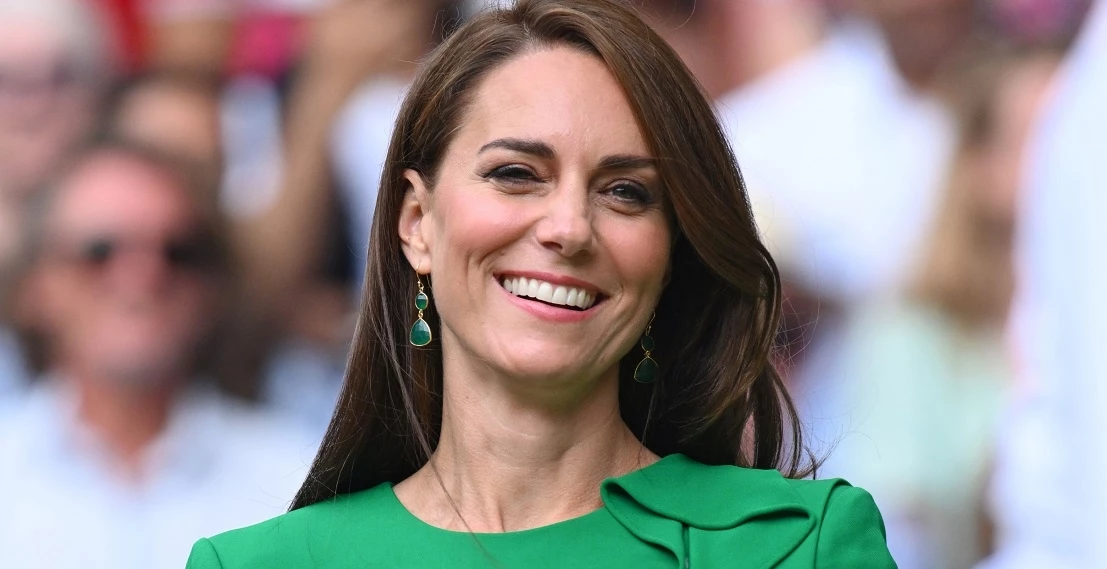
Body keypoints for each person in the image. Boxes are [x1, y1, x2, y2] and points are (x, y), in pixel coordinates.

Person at [186, 1, 896, 567]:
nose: (568, 228)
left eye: (624, 191)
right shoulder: (255, 563)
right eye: (516, 174)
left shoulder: (799, 546)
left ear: (670, 255)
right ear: (417, 223)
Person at [0, 136, 313, 569]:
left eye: (178, 253)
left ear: (213, 287)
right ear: (36, 286)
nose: (143, 276)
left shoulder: (299, 485)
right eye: (100, 252)